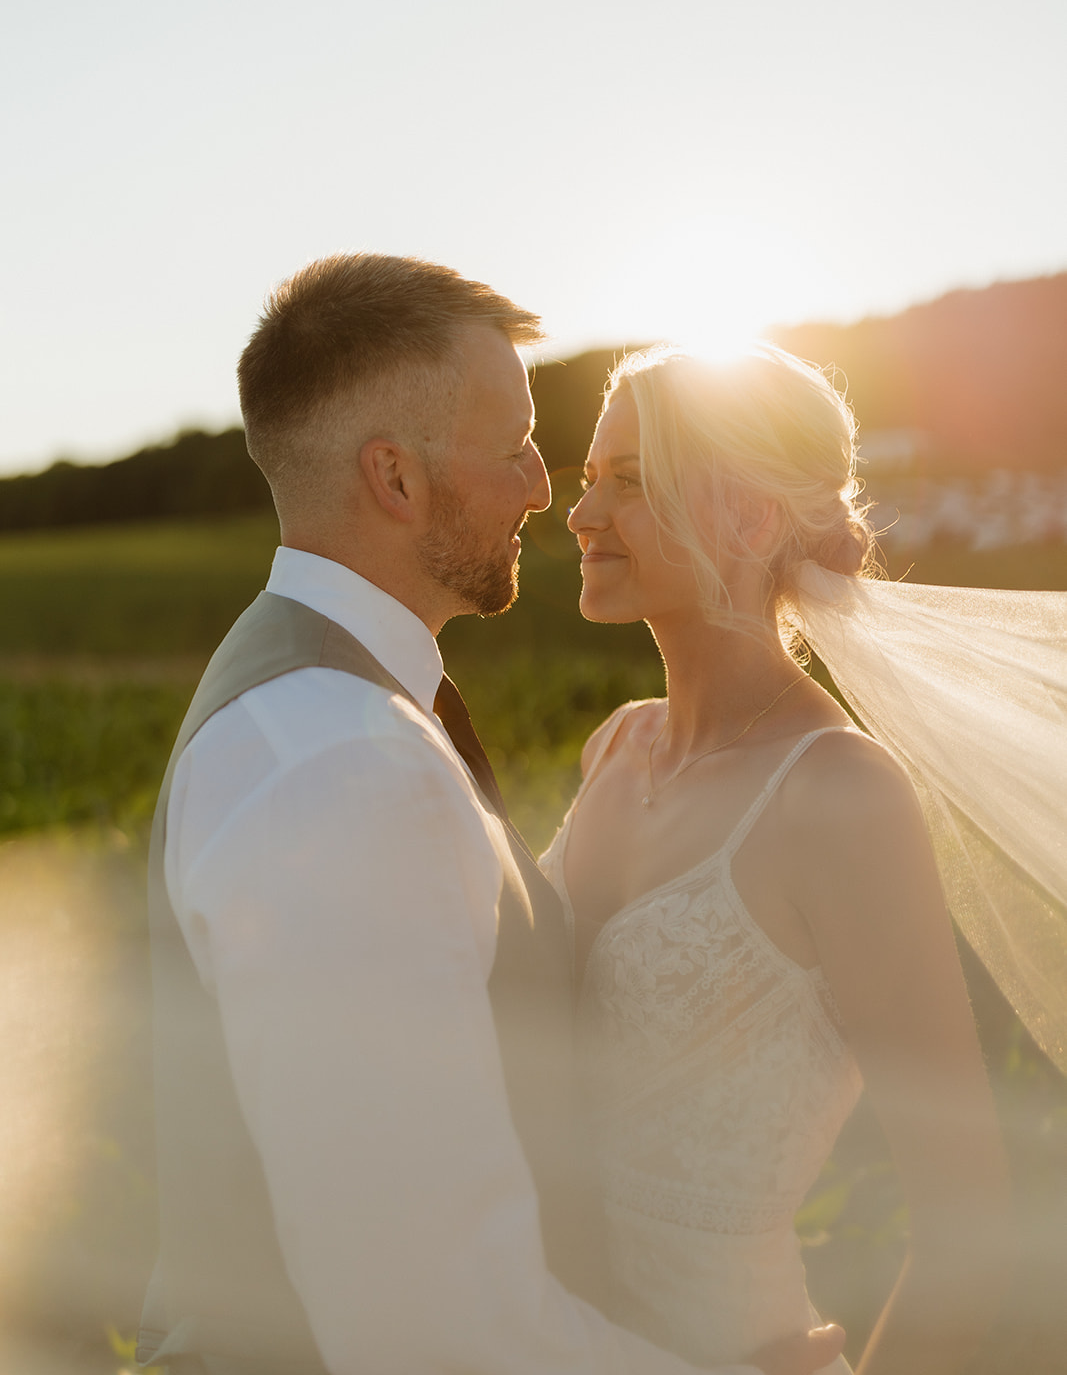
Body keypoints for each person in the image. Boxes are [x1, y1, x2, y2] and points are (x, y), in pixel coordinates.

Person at [136, 255, 848, 1375]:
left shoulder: (309, 705)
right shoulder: (349, 770)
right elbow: (437, 1327)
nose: (540, 484)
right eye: (513, 441)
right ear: (396, 479)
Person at [541, 343, 1016, 1375]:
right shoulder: (614, 746)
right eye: (588, 481)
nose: (581, 517)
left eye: (628, 481)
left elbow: (966, 1217)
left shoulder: (836, 797)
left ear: (749, 519)